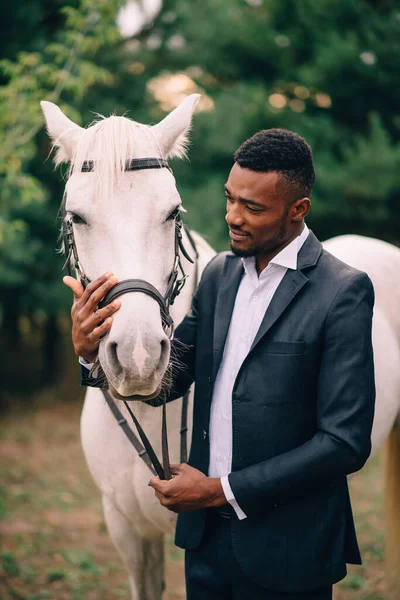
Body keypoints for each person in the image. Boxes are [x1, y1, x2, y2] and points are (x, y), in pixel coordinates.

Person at [67, 129, 375, 600]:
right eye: (229, 199)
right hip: (206, 548)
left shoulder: (342, 291)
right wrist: (92, 352)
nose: (233, 217)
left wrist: (217, 491)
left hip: (289, 553)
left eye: (252, 208)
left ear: (298, 210)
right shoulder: (219, 275)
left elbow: (344, 443)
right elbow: (169, 379)